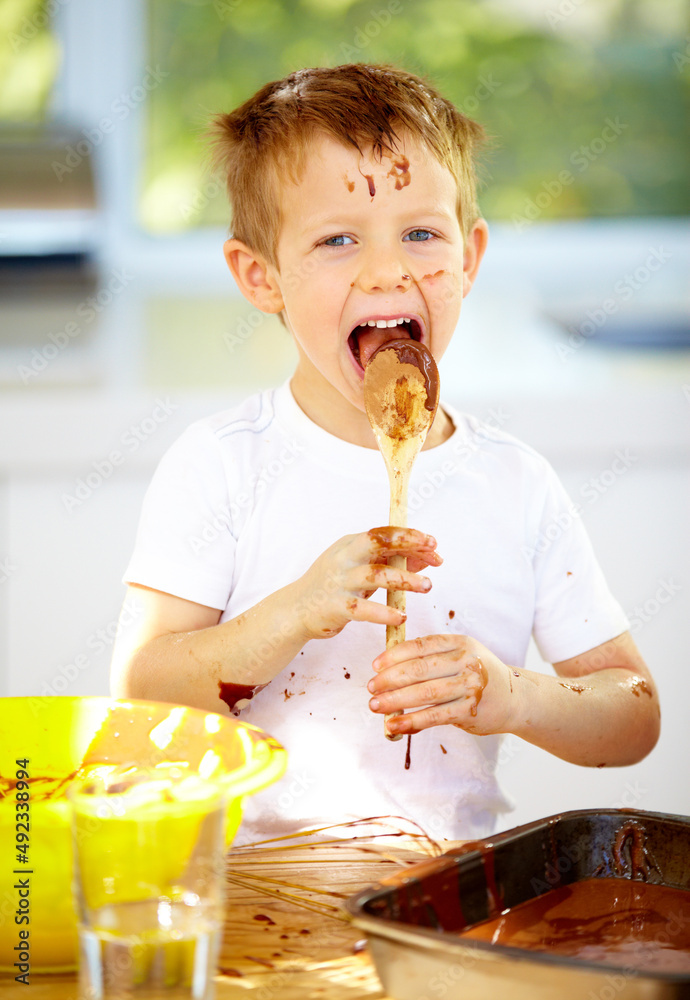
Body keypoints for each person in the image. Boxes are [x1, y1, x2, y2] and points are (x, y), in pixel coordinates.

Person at [110, 64, 659, 842]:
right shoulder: (220, 466)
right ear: (260, 276)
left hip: (443, 896)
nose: (387, 270)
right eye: (337, 239)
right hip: (259, 896)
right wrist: (292, 614)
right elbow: (141, 695)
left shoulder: (515, 483)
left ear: (468, 258)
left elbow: (632, 717)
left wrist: (511, 694)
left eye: (421, 233)